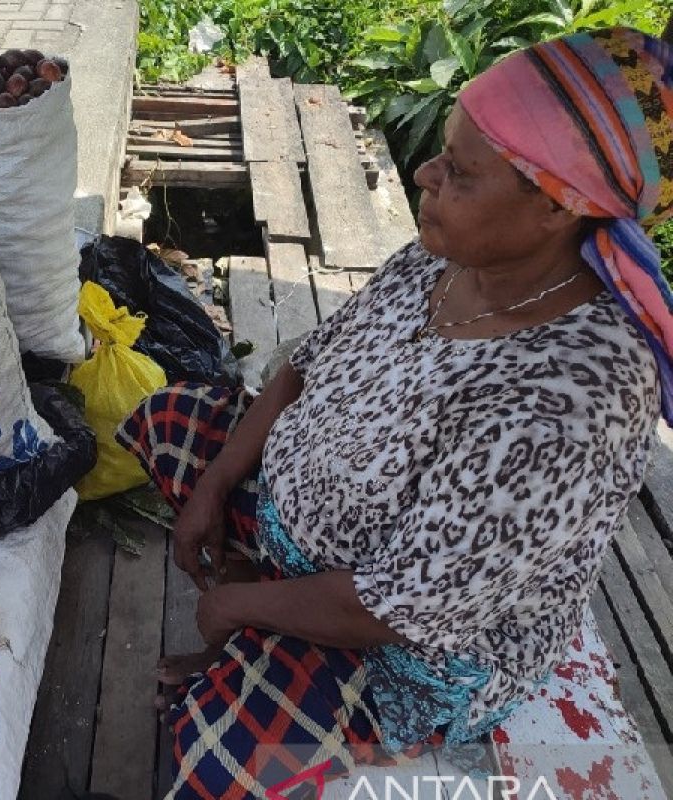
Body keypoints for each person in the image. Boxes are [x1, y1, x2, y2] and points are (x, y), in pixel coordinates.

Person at [118, 27, 673, 799]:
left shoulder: (572, 402)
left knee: (222, 767)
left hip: (400, 644)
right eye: (445, 151)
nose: (425, 173)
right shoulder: (448, 253)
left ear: (558, 207)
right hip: (305, 537)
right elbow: (306, 366)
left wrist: (228, 605)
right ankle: (258, 632)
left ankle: (262, 642)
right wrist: (214, 486)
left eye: (462, 173)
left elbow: (397, 606)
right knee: (170, 421)